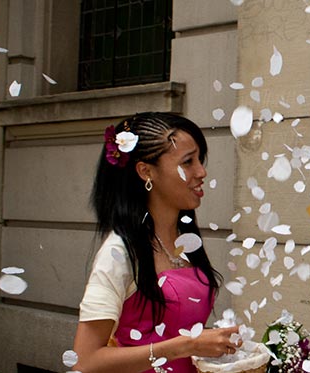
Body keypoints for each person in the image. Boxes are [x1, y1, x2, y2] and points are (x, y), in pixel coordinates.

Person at [72, 113, 239, 373]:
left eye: (199, 160)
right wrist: (187, 345)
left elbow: (173, 330)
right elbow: (86, 360)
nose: (201, 172)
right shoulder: (119, 252)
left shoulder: (184, 240)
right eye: (188, 162)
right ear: (146, 171)